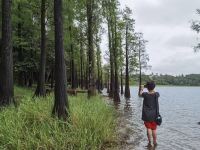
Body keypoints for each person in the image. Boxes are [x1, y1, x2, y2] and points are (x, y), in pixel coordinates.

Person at [139, 81, 160, 148]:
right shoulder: (157, 94)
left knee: (148, 128)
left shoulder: (145, 94)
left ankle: (150, 142)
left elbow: (140, 94)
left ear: (147, 88)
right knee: (154, 129)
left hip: (147, 115)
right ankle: (155, 141)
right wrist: (151, 88)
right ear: (154, 87)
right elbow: (153, 91)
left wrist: (142, 88)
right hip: (155, 115)